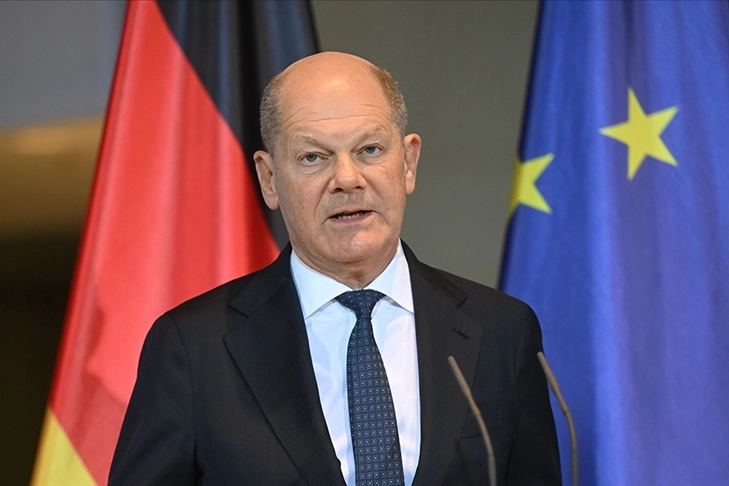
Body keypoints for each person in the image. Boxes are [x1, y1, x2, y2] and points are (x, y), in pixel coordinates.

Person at [109, 51, 561, 485]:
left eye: (370, 149)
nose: (347, 178)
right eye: (313, 157)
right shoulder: (192, 349)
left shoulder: (502, 331)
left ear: (408, 163)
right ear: (269, 178)